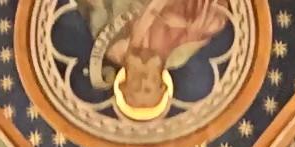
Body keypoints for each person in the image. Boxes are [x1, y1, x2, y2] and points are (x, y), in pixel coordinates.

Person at [78, 0, 231, 123]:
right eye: (148, 89)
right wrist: (190, 24)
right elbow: (214, 19)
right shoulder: (179, 54)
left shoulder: (111, 44)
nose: (143, 81)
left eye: (136, 88)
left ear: (123, 82)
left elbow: (93, 6)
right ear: (161, 85)